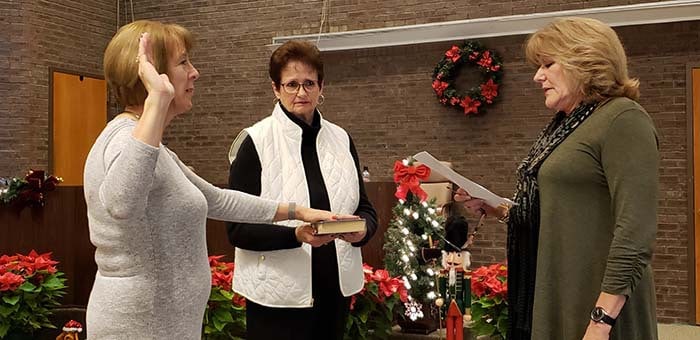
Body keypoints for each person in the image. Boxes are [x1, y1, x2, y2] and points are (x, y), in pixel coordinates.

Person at [83, 21, 340, 339]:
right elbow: (121, 204)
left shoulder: (153, 148)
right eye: (182, 62)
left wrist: (298, 212)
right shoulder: (127, 142)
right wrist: (159, 98)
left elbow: (218, 199)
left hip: (162, 323)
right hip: (140, 324)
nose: (194, 72)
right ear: (153, 74)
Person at [456, 17, 659, 340]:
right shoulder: (565, 126)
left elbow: (636, 232)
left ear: (586, 61)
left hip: (596, 302)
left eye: (548, 64)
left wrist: (601, 319)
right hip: (555, 291)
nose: (538, 76)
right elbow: (556, 210)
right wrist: (495, 207)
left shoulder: (623, 119)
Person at [226, 40, 378, 340]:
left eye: (309, 83)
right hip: (277, 298)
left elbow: (364, 208)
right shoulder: (254, 143)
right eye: (292, 84)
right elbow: (237, 229)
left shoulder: (341, 139)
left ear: (322, 86)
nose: (301, 92)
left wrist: (363, 232)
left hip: (334, 293)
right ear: (276, 88)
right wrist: (295, 234)